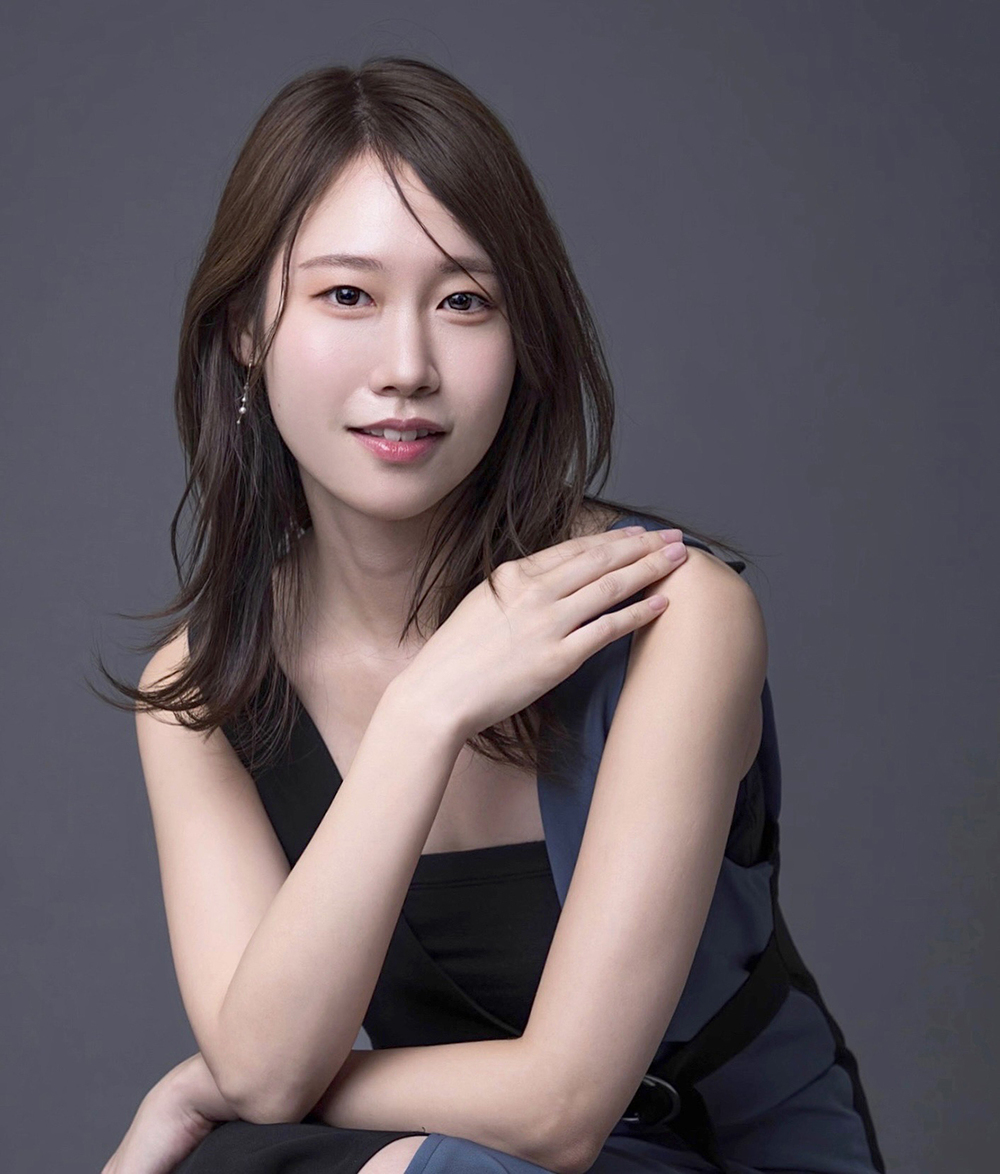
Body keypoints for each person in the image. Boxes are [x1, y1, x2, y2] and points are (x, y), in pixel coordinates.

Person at [95, 57, 885, 1174]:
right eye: (346, 296)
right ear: (246, 328)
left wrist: (228, 1089)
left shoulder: (674, 615)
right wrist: (426, 715)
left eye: (464, 301)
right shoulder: (207, 690)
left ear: (523, 339)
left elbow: (561, 1105)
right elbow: (266, 1077)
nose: (407, 367)